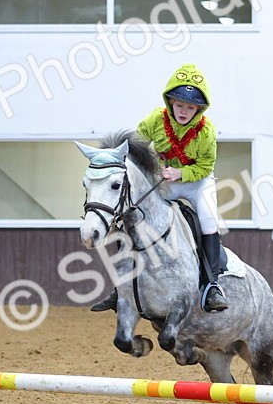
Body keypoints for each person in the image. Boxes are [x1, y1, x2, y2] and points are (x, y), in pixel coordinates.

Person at [91, 63, 229, 313]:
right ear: (170, 102)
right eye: (179, 104)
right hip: (164, 180)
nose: (184, 111)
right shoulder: (155, 120)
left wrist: (181, 173)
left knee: (209, 222)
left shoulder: (207, 131)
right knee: (133, 216)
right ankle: (120, 288)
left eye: (190, 107)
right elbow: (136, 149)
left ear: (198, 109)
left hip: (197, 182)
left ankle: (212, 286)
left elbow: (206, 166)